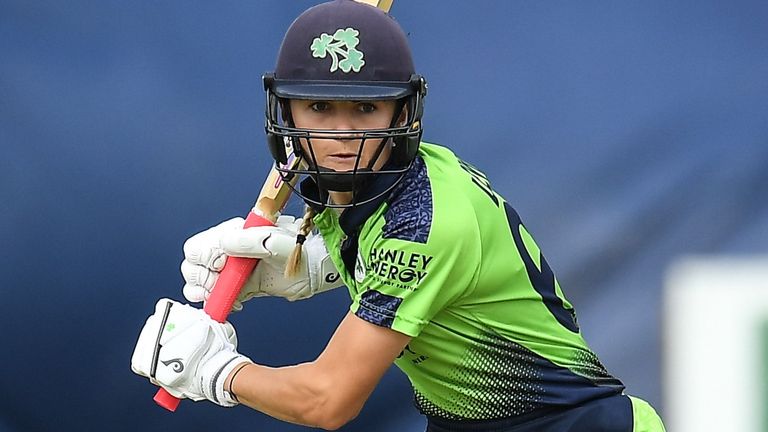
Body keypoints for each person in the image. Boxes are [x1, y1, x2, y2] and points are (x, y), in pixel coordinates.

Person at [131, 1, 666, 430]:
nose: (343, 134)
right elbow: (383, 249)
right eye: (319, 106)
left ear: (402, 112)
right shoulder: (369, 188)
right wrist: (314, 263)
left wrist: (216, 371)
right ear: (287, 110)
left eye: (365, 107)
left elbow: (327, 401)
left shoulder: (424, 222)